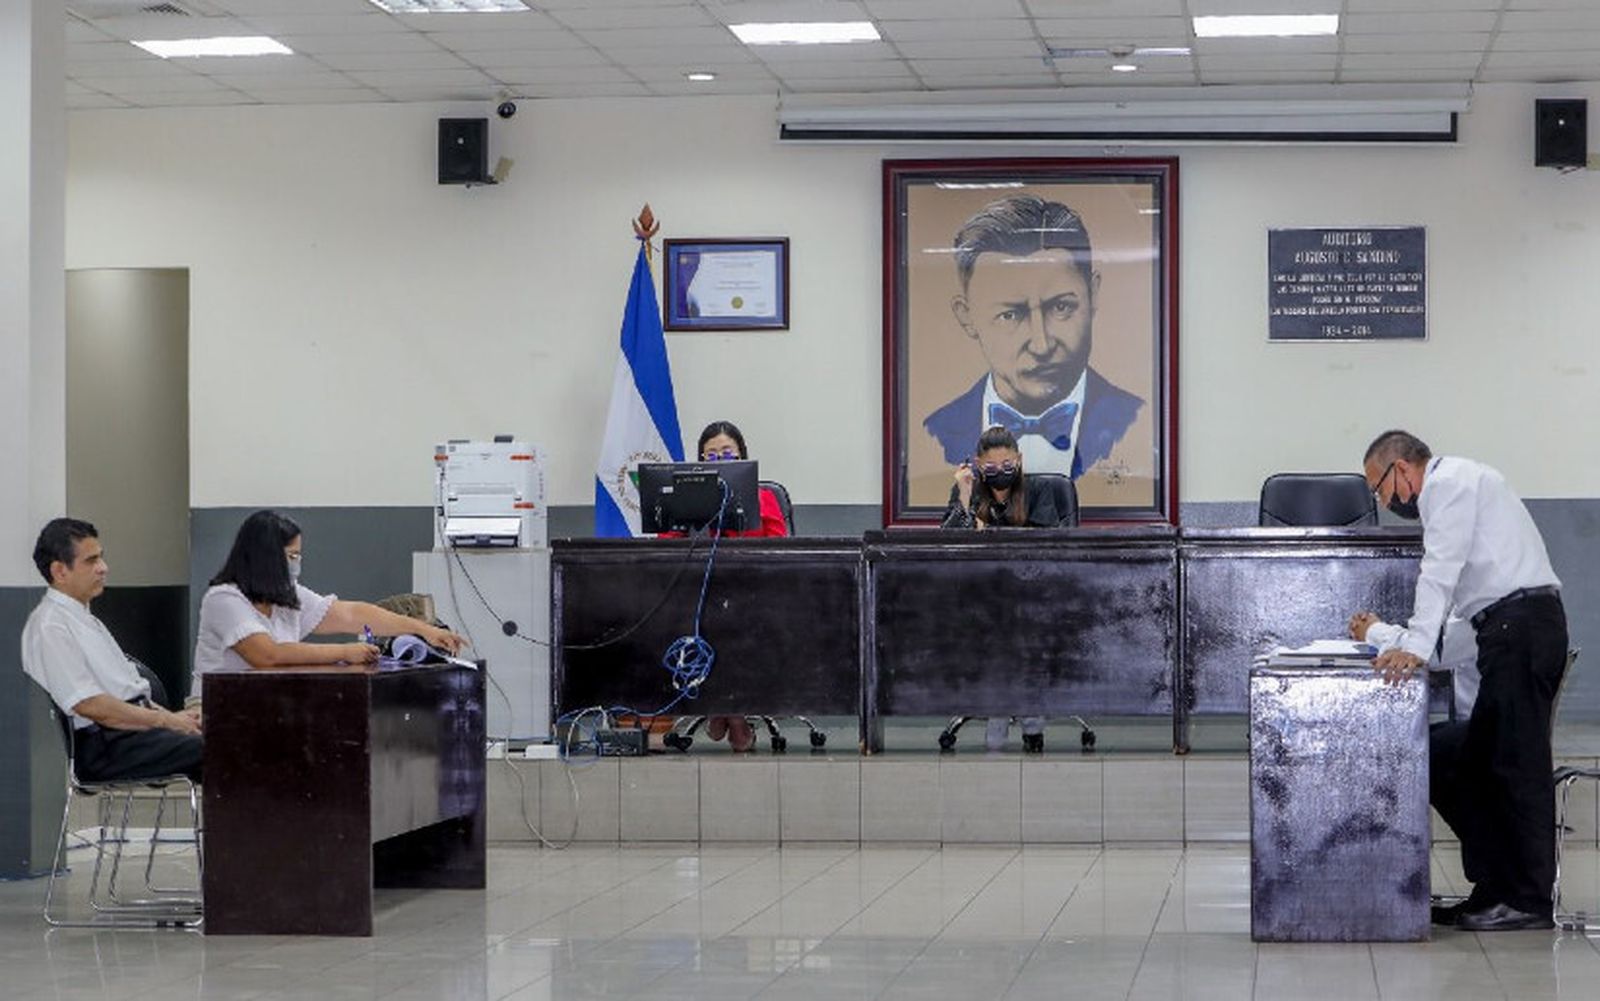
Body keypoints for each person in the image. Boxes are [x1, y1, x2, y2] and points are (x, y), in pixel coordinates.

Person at [1356, 429, 1566, 932]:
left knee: (1516, 767)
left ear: (1401, 471)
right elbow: (1454, 609)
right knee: (1467, 759)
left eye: (1378, 489)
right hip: (1509, 630)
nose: (1383, 502)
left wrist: (1414, 647)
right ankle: (1495, 887)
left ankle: (1528, 900)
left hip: (1522, 629)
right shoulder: (1465, 484)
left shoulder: (1447, 486)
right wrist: (1410, 641)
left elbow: (1438, 572)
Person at [922, 194, 1144, 480]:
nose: (1042, 345)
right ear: (967, 316)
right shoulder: (935, 433)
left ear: (1093, 294)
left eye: (1061, 307)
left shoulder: (1140, 422)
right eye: (1010, 315)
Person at [190, 510, 465, 700]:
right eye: (291, 555)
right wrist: (344, 651)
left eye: (298, 555)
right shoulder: (224, 599)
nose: (297, 563)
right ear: (265, 557)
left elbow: (350, 614)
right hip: (221, 708)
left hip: (272, 701)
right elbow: (267, 656)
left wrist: (423, 630)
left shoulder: (286, 595)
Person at [21, 518, 203, 782]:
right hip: (106, 746)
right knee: (219, 750)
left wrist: (176, 718)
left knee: (224, 735)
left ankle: (232, 824)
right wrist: (168, 722)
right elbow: (91, 705)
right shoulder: (50, 627)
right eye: (91, 561)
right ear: (60, 571)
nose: (103, 568)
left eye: (101, 559)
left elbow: (126, 692)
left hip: (131, 733)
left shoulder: (86, 619)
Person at [941, 425, 1074, 752]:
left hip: (1032, 593)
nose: (999, 474)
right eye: (990, 468)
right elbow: (945, 543)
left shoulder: (1039, 490)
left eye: (1007, 466)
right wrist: (963, 496)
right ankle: (1015, 716)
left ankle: (1010, 717)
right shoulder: (970, 491)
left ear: (1019, 460)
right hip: (980, 595)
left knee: (1014, 631)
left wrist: (990, 532)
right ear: (976, 464)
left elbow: (1044, 544)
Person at [683, 421, 789, 751]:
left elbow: (781, 546)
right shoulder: (687, 497)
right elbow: (666, 544)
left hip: (755, 594)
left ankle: (725, 709)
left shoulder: (765, 497)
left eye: (727, 452)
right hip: (701, 593)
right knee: (710, 619)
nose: (720, 459)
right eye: (711, 454)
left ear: (743, 455)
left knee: (733, 623)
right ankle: (734, 713)